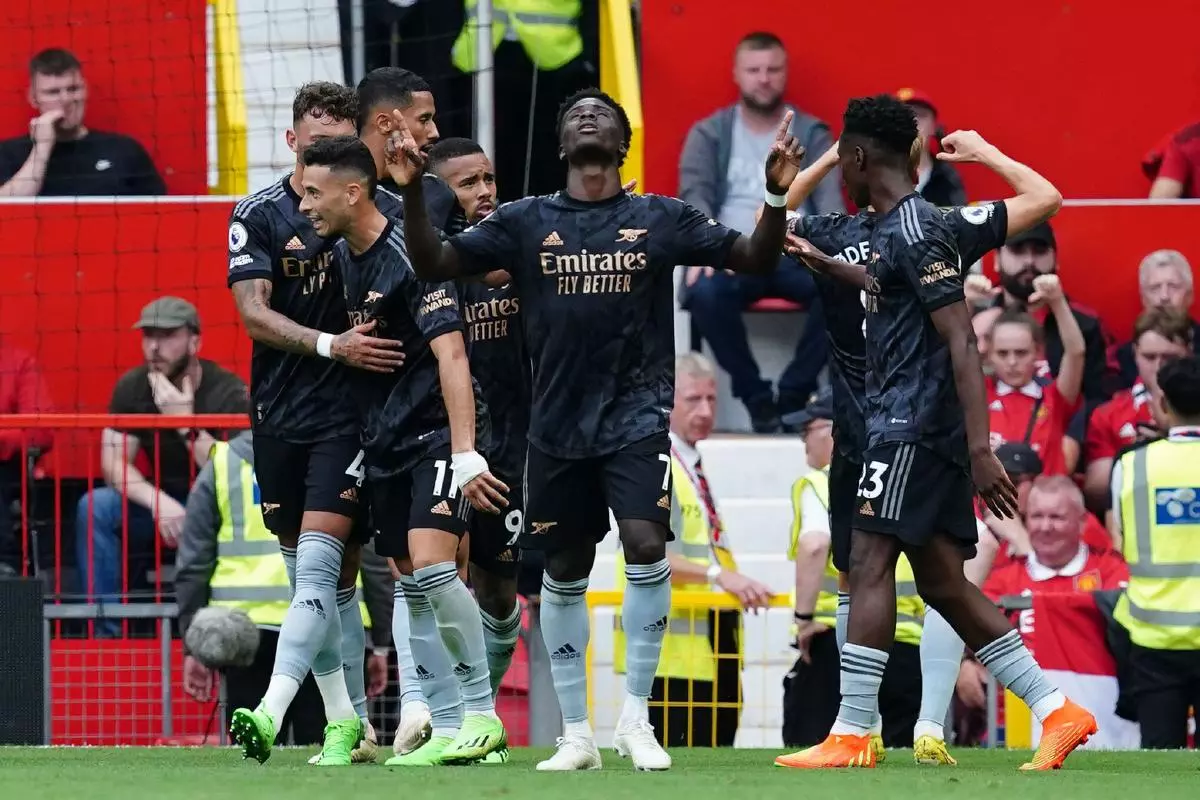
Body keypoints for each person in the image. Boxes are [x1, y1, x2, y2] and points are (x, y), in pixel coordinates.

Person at [390, 88, 800, 770]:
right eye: (575, 113)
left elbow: (757, 258)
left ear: (622, 144)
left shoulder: (659, 216)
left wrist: (776, 196)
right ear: (561, 145)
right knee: (564, 568)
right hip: (554, 430)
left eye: (601, 113)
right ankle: (577, 734)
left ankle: (635, 719)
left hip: (636, 419)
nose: (587, 115)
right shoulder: (524, 221)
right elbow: (433, 262)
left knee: (645, 541)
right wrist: (409, 192)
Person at [775, 95, 1094, 771]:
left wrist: (980, 450)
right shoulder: (907, 226)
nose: (841, 174)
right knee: (945, 584)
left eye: (843, 159)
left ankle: (852, 732)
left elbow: (962, 340)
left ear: (857, 157)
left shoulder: (918, 228)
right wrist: (832, 267)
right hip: (915, 428)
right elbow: (888, 286)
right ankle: (1058, 710)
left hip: (910, 427)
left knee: (867, 561)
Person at [297, 135, 510, 765]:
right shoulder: (343, 257)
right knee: (413, 581)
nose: (303, 205)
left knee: (436, 567)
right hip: (385, 442)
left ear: (351, 192)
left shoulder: (409, 255)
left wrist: (466, 453)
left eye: (312, 193)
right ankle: (447, 727)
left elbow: (453, 356)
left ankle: (482, 715)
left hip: (437, 435)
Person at [225, 82, 408, 767]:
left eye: (340, 142)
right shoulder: (260, 214)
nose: (325, 154)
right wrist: (334, 344)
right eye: (316, 141)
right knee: (323, 583)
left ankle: (272, 712)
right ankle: (347, 721)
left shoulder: (382, 213)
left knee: (323, 568)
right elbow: (253, 313)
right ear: (292, 142)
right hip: (279, 414)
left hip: (352, 418)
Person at [422, 137, 529, 764]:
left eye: (488, 178)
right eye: (468, 184)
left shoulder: (522, 244)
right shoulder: (424, 261)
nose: (485, 191)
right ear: (439, 194)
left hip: (512, 445)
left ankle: (477, 719)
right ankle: (447, 717)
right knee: (437, 577)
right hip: (440, 443)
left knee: (496, 592)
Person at [677, 31, 842, 429]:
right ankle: (757, 400)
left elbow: (831, 205)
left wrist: (831, 255)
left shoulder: (813, 133)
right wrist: (708, 247)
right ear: (736, 74)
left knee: (845, 288)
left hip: (795, 251)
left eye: (773, 69)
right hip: (735, 252)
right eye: (754, 70)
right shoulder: (710, 133)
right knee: (703, 291)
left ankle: (795, 395)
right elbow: (695, 196)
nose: (764, 78)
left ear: (785, 73)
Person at [618, 351, 772, 748]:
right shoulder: (657, 466)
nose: (705, 410)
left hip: (711, 644)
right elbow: (643, 552)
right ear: (668, 402)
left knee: (718, 752)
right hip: (671, 655)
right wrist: (720, 576)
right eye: (693, 400)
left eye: (712, 399)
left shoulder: (690, 465)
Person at [77, 297, 247, 637]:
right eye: (148, 335)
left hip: (218, 508)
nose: (154, 347)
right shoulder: (133, 387)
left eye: (168, 335)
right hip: (164, 502)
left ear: (195, 341)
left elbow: (234, 470)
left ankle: (222, 634)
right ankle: (107, 636)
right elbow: (113, 463)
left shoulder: (227, 391)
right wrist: (158, 502)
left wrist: (184, 423)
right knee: (95, 507)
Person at [783, 387, 925, 752]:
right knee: (899, 753)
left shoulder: (822, 482)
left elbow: (815, 545)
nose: (804, 442)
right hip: (908, 646)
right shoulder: (905, 478)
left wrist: (803, 618)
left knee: (827, 746)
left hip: (841, 638)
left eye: (807, 431)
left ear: (833, 430)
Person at [1111, 355, 1200, 749]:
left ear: (1162, 402)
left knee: (1160, 757)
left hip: (1153, 636)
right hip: (1155, 637)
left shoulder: (1132, 465)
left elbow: (1120, 537)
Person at [0, 48, 165, 197]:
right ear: (33, 98)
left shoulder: (124, 150)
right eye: (53, 92)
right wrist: (41, 147)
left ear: (85, 89)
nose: (66, 99)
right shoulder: (9, 154)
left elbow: (158, 212)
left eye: (73, 89)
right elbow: (6, 210)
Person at [1084, 308, 1192, 512]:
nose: (1159, 367)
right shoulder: (1108, 413)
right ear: (1134, 353)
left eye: (1169, 358)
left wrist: (1173, 439)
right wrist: (1136, 453)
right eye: (1149, 357)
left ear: (1188, 351)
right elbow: (1095, 491)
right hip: (1137, 519)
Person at [985, 290, 1085, 476]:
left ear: (1038, 352)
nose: (1012, 362)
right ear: (989, 354)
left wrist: (1057, 301)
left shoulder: (1054, 396)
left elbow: (1075, 352)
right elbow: (950, 355)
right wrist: (964, 299)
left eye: (1021, 353)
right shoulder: (978, 395)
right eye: (1002, 353)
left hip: (1045, 492)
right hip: (990, 494)